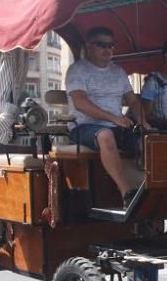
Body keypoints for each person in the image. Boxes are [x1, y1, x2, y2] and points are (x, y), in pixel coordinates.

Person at [65, 26, 151, 209]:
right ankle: (127, 193)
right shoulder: (77, 70)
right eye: (102, 45)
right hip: (84, 127)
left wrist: (144, 123)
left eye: (111, 45)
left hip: (116, 126)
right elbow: (80, 102)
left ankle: (151, 188)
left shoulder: (118, 72)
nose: (108, 49)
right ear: (89, 47)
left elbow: (133, 101)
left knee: (150, 141)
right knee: (106, 136)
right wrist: (114, 118)